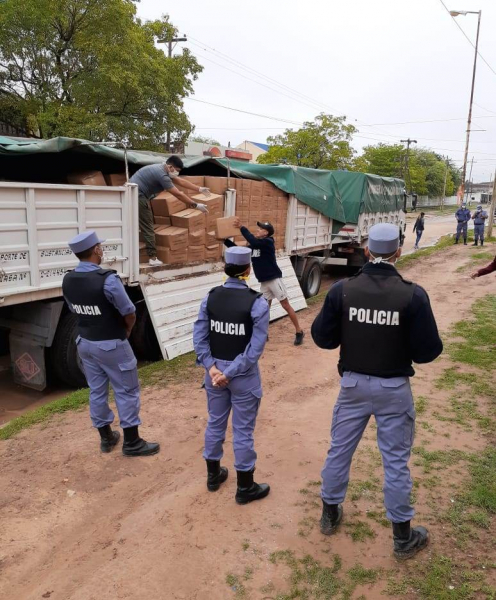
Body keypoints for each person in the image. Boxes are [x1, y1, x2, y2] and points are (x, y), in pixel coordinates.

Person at [311, 223, 443, 560]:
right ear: (398, 252)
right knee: (396, 461)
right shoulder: (413, 294)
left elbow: (323, 338)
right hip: (394, 388)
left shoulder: (342, 290)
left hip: (353, 384)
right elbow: (428, 351)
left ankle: (329, 514)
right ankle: (402, 537)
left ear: (367, 251)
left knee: (339, 450)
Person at [62, 231, 159, 457]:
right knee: (126, 391)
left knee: (97, 390)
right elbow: (129, 312)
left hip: (85, 343)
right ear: (96, 250)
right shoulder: (107, 280)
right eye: (100, 247)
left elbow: (73, 308)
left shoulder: (68, 279)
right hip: (111, 344)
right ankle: (132, 443)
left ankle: (106, 438)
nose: (101, 250)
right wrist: (125, 331)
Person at [193, 246, 270, 504]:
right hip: (243, 376)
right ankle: (245, 487)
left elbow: (199, 337)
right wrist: (230, 372)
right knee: (243, 430)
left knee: (215, 421)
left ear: (225, 268)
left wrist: (212, 368)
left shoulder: (211, 297)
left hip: (214, 375)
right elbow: (254, 349)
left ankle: (213, 476)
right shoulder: (257, 302)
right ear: (247, 270)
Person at [224, 219, 305, 346]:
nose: (258, 230)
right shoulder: (255, 246)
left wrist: (242, 227)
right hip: (264, 282)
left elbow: (254, 241)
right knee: (264, 309)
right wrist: (224, 241)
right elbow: (240, 250)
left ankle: (299, 331)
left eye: (261, 229)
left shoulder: (268, 242)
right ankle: (264, 333)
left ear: (266, 233)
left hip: (274, 279)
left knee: (285, 305)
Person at [130, 156, 211, 266]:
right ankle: (152, 258)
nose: (177, 173)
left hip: (133, 193)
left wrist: (199, 189)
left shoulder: (162, 169)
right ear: (170, 167)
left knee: (141, 224)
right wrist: (196, 205)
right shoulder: (162, 175)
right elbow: (178, 194)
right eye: (177, 171)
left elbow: (180, 181)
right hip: (137, 196)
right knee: (148, 226)